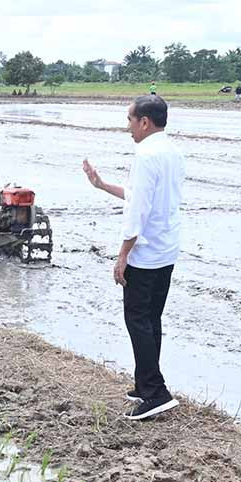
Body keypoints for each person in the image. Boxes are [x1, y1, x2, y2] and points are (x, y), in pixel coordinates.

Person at [82, 95, 184, 420]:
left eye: (129, 120)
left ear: (144, 121)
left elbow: (137, 211)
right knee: (151, 320)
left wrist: (122, 255)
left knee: (137, 320)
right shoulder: (171, 151)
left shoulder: (145, 155)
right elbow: (141, 195)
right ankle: (145, 384)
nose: (127, 127)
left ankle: (155, 392)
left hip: (145, 254)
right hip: (166, 250)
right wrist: (101, 185)